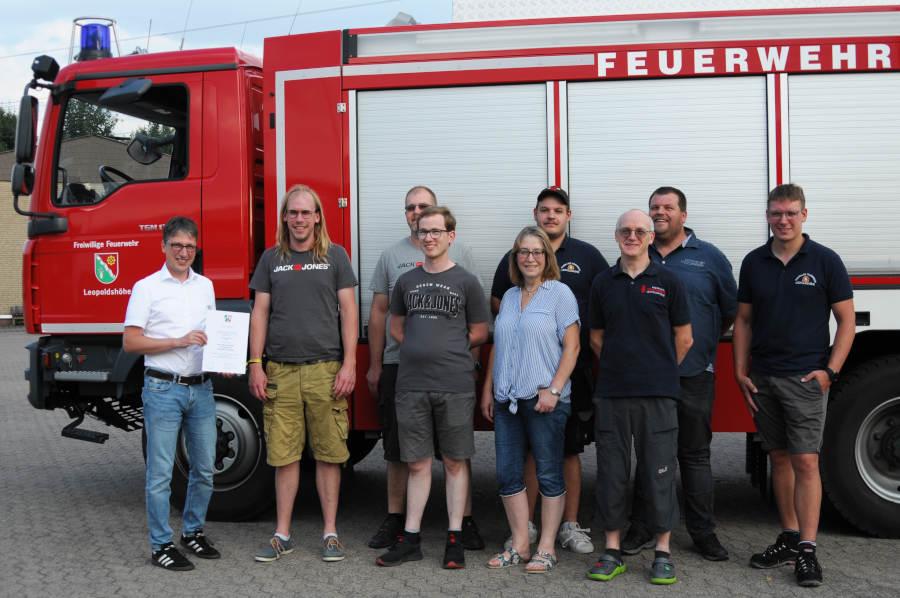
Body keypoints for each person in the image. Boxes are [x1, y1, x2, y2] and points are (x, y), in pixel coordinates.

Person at [733, 183, 854, 588]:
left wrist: (830, 372)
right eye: (775, 213)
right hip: (764, 378)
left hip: (806, 379)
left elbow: (847, 322)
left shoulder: (825, 261)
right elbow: (744, 321)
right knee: (779, 459)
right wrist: (739, 371)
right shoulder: (754, 262)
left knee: (805, 462)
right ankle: (788, 537)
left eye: (790, 213)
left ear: (805, 215)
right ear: (767, 216)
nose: (782, 220)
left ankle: (807, 550)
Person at [490, 186, 608, 554]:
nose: (551, 215)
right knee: (522, 460)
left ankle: (565, 529)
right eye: (545, 210)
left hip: (567, 378)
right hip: (513, 393)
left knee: (565, 453)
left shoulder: (585, 260)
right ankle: (524, 530)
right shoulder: (511, 292)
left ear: (568, 215)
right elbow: (501, 327)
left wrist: (556, 387)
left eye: (558, 210)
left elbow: (595, 315)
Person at [365, 185, 484, 552]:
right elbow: (389, 319)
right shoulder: (399, 270)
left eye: (433, 227)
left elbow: (478, 327)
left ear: (449, 234)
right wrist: (399, 354)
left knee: (454, 458)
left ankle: (458, 531)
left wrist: (451, 352)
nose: (426, 233)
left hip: (452, 380)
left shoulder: (463, 270)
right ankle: (404, 529)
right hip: (408, 377)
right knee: (409, 457)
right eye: (418, 223)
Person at [622, 187, 737, 561]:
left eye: (668, 207)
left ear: (683, 215)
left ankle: (703, 533)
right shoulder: (638, 251)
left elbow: (729, 312)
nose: (659, 213)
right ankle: (640, 527)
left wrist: (699, 347)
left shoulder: (710, 258)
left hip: (694, 373)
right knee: (650, 455)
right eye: (654, 207)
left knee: (695, 456)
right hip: (648, 378)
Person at [247, 184, 359, 563]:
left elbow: (349, 311)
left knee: (329, 454)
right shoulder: (271, 259)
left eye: (305, 212)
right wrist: (255, 364)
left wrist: (349, 363)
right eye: (292, 212)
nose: (298, 219)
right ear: (284, 217)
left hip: (325, 371)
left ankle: (330, 533)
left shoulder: (335, 256)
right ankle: (282, 534)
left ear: (317, 217)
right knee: (284, 456)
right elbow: (259, 313)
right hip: (280, 372)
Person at [587, 209, 692, 586]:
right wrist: (624, 366)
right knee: (613, 473)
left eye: (639, 231)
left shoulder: (669, 281)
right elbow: (596, 337)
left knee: (658, 471)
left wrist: (658, 369)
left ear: (651, 237)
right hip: (613, 393)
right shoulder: (603, 282)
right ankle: (612, 550)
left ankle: (662, 552)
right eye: (625, 231)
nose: (632, 236)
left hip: (658, 395)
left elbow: (685, 338)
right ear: (616, 236)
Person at [481, 226, 580, 573]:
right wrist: (488, 390)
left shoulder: (560, 294)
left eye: (537, 251)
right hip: (507, 400)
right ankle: (520, 544)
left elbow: (573, 347)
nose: (530, 258)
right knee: (508, 475)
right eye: (523, 252)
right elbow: (499, 347)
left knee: (550, 474)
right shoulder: (508, 297)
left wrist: (554, 390)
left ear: (547, 257)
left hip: (544, 402)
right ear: (515, 257)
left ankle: (547, 548)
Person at [123, 216, 219, 571]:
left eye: (190, 246)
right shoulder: (146, 288)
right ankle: (160, 544)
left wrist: (221, 357)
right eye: (176, 245)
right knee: (161, 473)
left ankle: (192, 532)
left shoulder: (205, 286)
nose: (183, 252)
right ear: (163, 246)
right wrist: (178, 340)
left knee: (206, 467)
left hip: (201, 388)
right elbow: (131, 341)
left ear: (197, 249)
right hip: (163, 388)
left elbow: (212, 335)